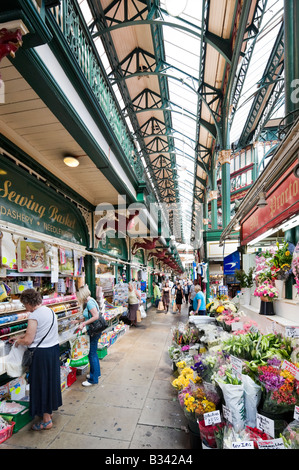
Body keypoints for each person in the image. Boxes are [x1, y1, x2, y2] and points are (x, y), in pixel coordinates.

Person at [12, 288, 62, 430]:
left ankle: (46, 421)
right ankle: (48, 412)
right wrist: (20, 337)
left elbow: (29, 340)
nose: (25, 308)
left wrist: (18, 341)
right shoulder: (50, 311)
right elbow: (40, 332)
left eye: (24, 305)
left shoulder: (34, 316)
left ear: (28, 302)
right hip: (52, 352)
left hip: (41, 355)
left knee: (41, 385)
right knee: (50, 383)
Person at [76, 284, 102, 387]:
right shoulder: (91, 301)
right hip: (95, 330)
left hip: (94, 331)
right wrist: (78, 321)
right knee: (93, 353)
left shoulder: (90, 303)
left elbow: (95, 316)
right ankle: (96, 374)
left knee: (92, 354)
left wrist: (83, 324)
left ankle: (93, 379)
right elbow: (89, 316)